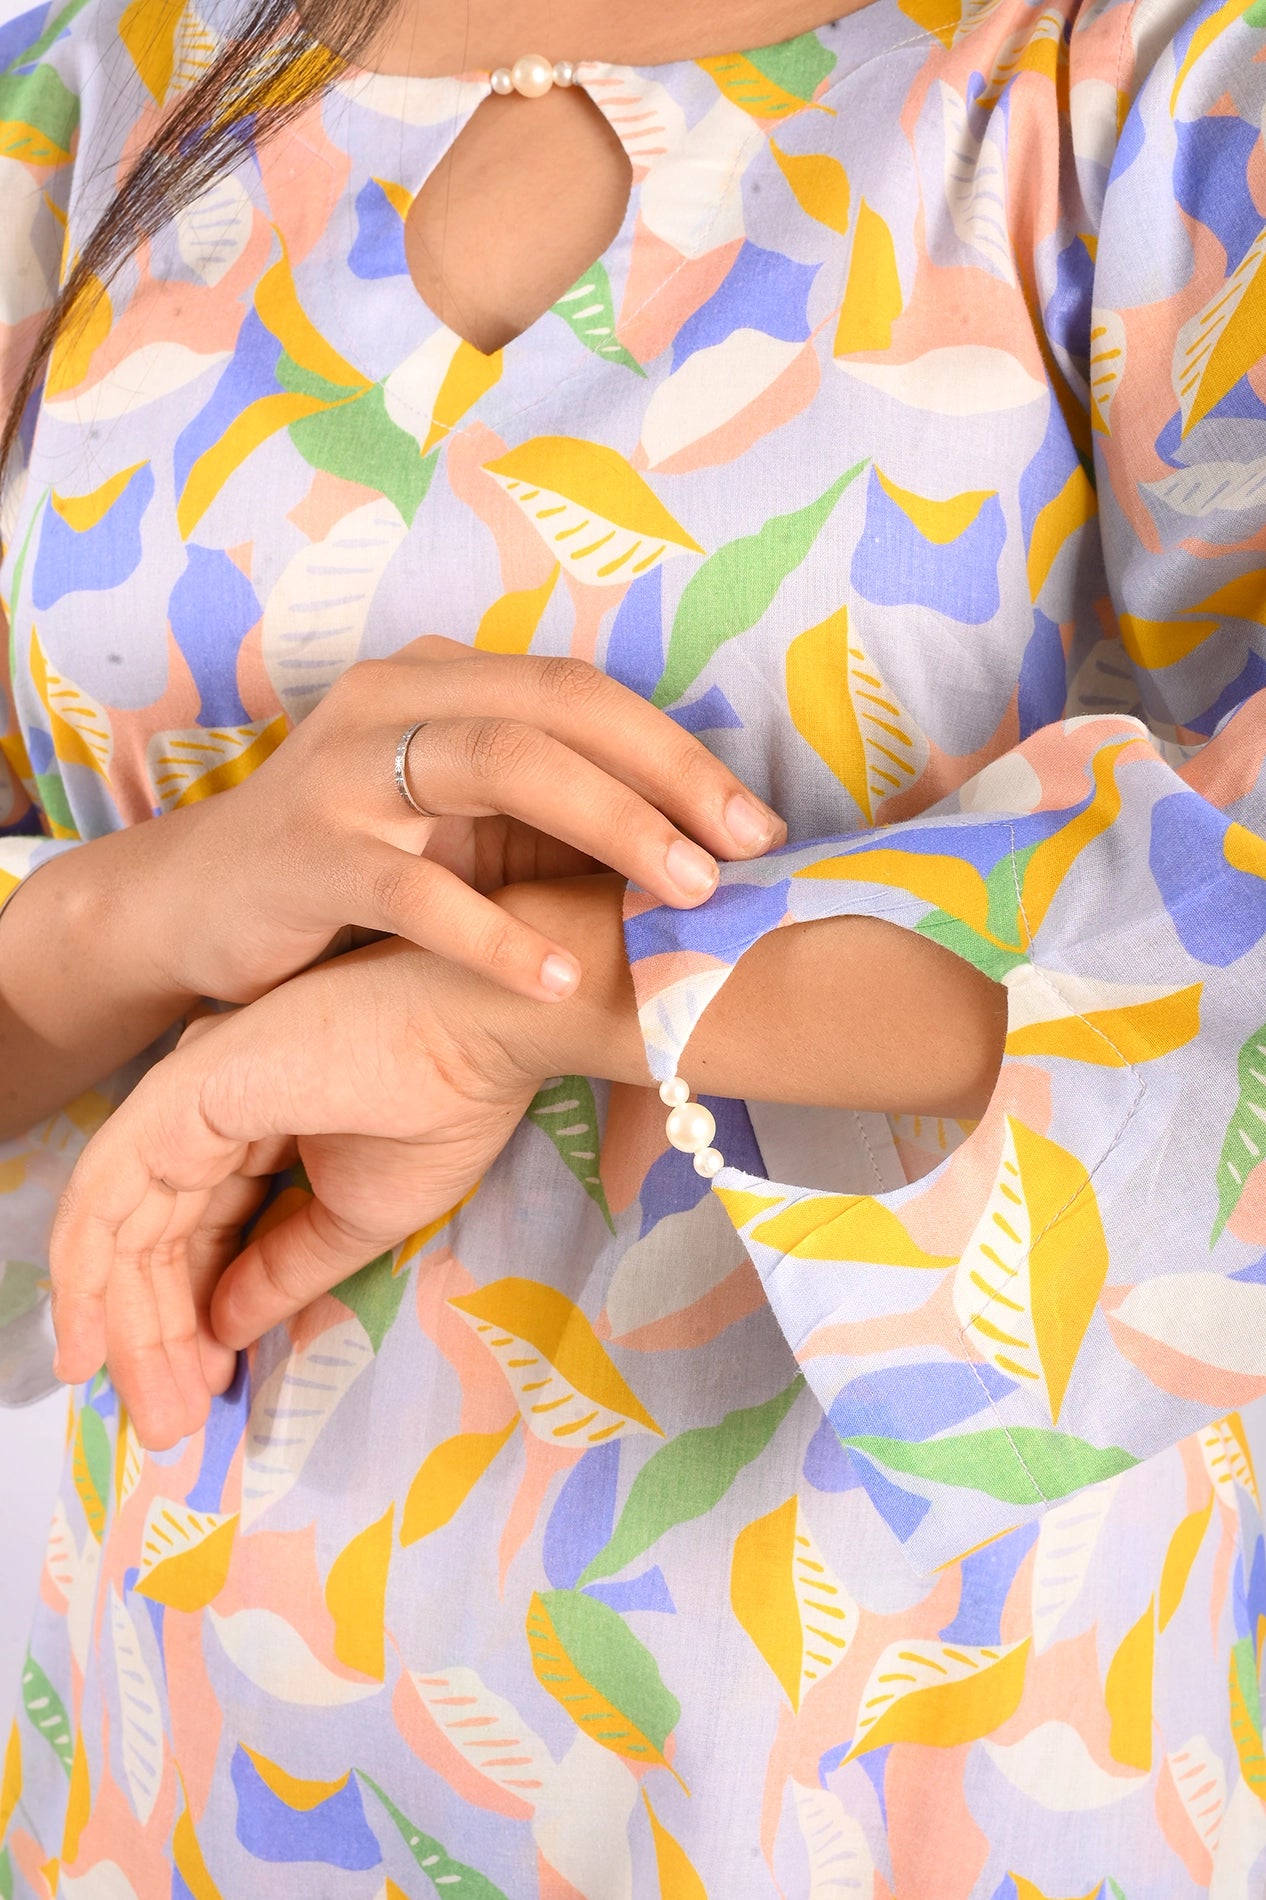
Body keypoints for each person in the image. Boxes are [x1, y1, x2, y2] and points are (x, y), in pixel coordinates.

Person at [1, 0, 1264, 1888]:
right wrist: (148, 901)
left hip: (899, 1777)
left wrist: (526, 999)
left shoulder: (1153, 68)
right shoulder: (84, 86)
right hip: (154, 1767)